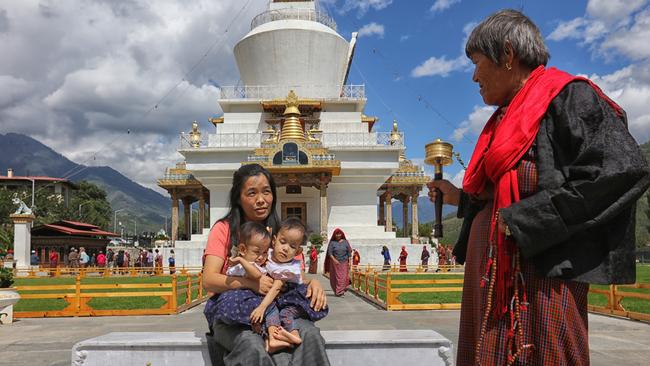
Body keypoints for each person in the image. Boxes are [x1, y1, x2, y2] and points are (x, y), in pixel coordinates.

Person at [427, 9, 650, 365]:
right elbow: (503, 198)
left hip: (543, 282)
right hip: (490, 281)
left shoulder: (568, 98)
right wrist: (460, 198)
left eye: (478, 62)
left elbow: (619, 170)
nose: (473, 76)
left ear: (508, 54)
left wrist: (528, 219)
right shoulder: (502, 120)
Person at [202, 163, 329, 366]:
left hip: (277, 311)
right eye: (251, 193)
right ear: (238, 198)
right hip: (233, 314)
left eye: (267, 192)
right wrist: (251, 283)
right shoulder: (224, 229)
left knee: (310, 335)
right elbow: (209, 280)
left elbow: (290, 273)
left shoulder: (282, 234)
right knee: (251, 345)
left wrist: (312, 283)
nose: (261, 200)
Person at [323, 228, 352, 297]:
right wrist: (334, 260)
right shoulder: (332, 243)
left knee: (344, 277)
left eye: (339, 234)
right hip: (335, 263)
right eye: (336, 234)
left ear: (342, 234)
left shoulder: (345, 242)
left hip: (344, 262)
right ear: (334, 235)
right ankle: (339, 292)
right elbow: (330, 253)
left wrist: (350, 262)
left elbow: (349, 253)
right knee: (337, 277)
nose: (338, 235)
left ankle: (342, 289)